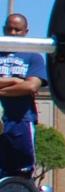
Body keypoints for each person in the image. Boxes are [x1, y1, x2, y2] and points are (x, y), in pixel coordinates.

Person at [0, 13, 47, 178]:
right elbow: (24, 85)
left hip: (21, 121)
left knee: (22, 172)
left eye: (17, 30)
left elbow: (31, 86)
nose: (12, 32)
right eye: (9, 29)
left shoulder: (33, 57)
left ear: (25, 31)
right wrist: (14, 80)